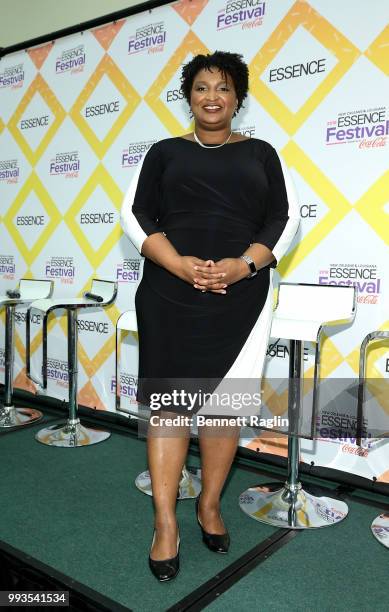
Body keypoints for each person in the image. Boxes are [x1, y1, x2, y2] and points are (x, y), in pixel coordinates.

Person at [120, 50, 300, 581]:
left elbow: (283, 219)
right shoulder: (163, 152)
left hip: (241, 299)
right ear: (189, 96)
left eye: (223, 88)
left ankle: (210, 505)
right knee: (170, 410)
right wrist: (177, 264)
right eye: (201, 88)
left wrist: (243, 265)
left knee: (224, 410)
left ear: (238, 99)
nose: (212, 97)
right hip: (169, 294)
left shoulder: (264, 153)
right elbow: (134, 215)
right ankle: (164, 525)